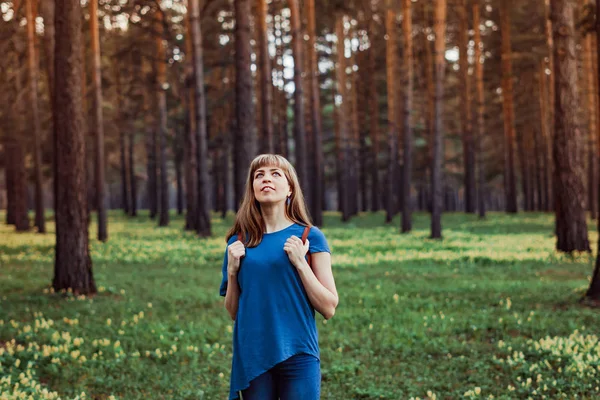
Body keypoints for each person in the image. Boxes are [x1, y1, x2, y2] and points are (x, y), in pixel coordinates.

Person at [219, 154, 339, 400]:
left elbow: (328, 307)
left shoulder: (310, 237)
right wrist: (232, 272)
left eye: (276, 174)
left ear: (290, 188)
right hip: (253, 354)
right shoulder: (238, 241)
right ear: (252, 189)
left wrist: (300, 263)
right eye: (259, 175)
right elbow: (233, 312)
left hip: (298, 352)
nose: (266, 179)